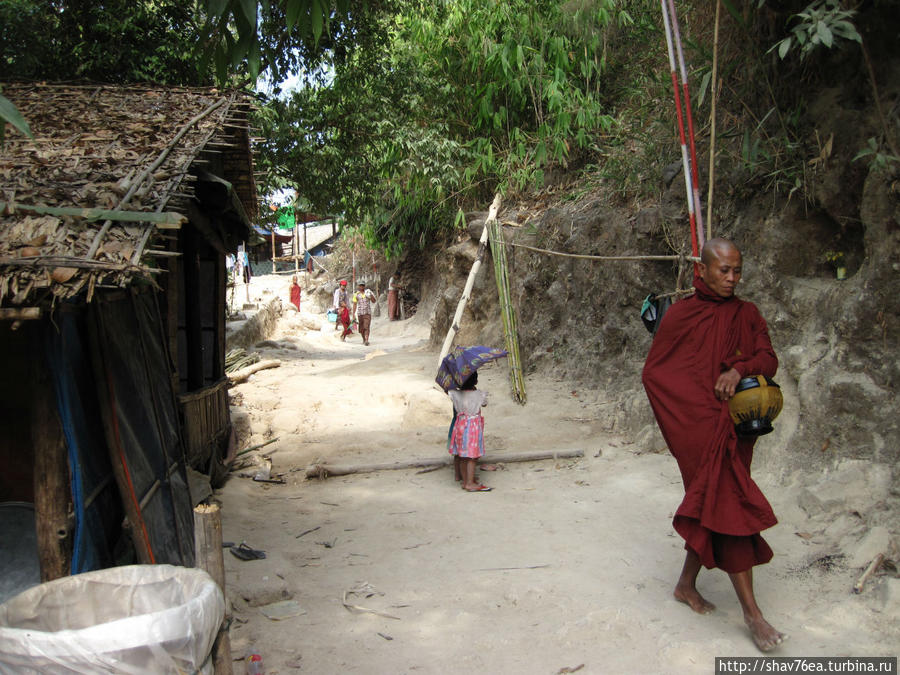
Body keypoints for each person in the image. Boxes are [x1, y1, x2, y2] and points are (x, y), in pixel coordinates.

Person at [641, 237, 785, 652]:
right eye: (723, 270)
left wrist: (738, 369)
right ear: (701, 270)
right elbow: (656, 374)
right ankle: (753, 616)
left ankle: (686, 584)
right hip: (699, 428)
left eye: (737, 270)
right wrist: (690, 417)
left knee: (714, 503)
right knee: (728, 503)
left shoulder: (747, 313)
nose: (732, 278)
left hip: (735, 428)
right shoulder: (682, 316)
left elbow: (768, 358)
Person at [448, 372, 491, 492]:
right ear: (475, 382)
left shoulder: (455, 394)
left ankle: (465, 480)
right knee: (472, 457)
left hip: (460, 427)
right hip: (472, 429)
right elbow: (485, 403)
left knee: (462, 456)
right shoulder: (479, 395)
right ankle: (470, 483)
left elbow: (452, 395)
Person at [352, 281, 377, 346]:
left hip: (367, 312)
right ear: (358, 286)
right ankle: (364, 339)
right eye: (360, 286)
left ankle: (366, 340)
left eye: (362, 286)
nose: (361, 287)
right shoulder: (356, 294)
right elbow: (354, 304)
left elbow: (374, 301)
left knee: (366, 326)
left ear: (364, 286)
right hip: (360, 313)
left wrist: (370, 296)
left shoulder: (368, 292)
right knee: (361, 328)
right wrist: (353, 314)